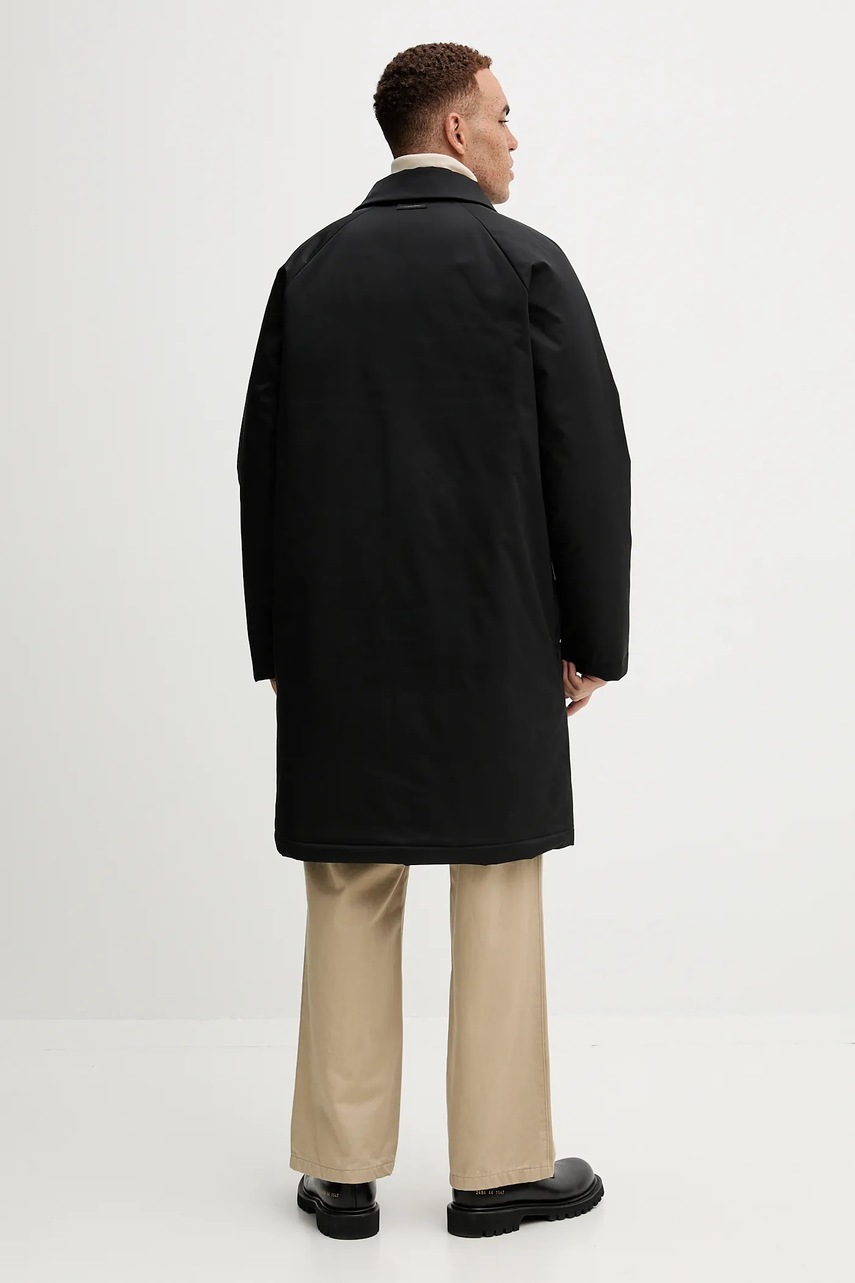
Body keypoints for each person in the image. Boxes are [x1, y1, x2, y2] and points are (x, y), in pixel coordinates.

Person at [237, 41, 631, 1240]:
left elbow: (262, 470)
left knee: (351, 880)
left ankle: (342, 1171)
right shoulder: (524, 264)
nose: (516, 137)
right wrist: (592, 638)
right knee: (497, 882)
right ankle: (497, 1172)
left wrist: (280, 646)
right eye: (503, 116)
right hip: (496, 637)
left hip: (341, 645)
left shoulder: (311, 269)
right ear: (456, 128)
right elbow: (588, 462)